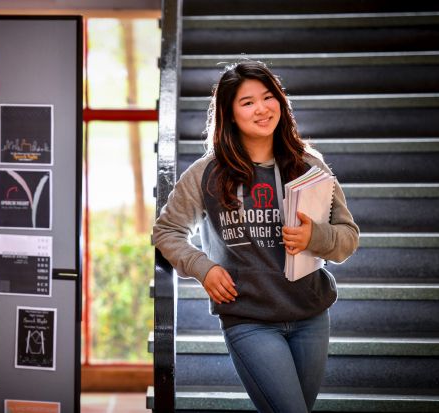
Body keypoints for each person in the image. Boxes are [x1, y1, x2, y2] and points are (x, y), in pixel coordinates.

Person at [152, 59, 359, 413]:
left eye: (268, 97)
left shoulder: (310, 166)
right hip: (249, 320)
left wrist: (316, 236)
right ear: (230, 114)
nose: (262, 109)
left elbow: (347, 238)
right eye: (247, 102)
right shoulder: (206, 173)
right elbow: (166, 231)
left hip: (310, 315)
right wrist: (203, 268)